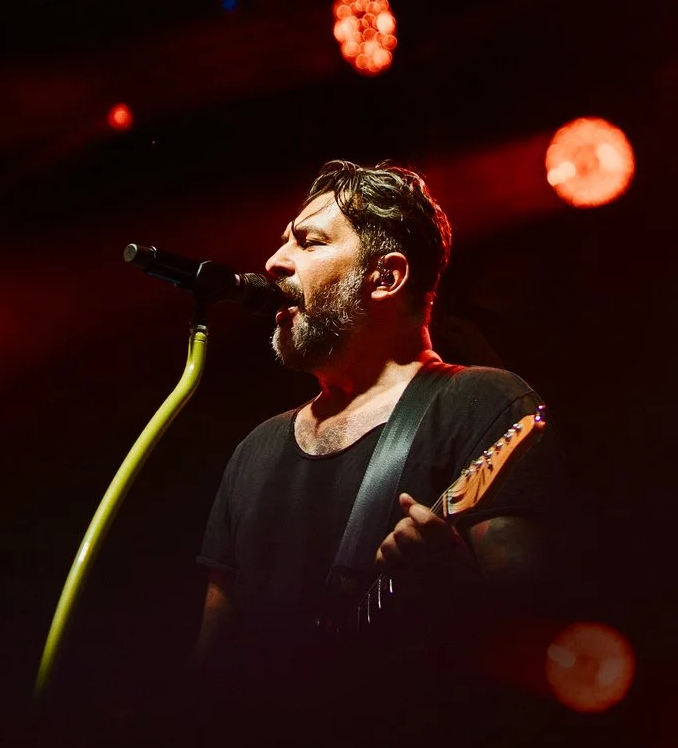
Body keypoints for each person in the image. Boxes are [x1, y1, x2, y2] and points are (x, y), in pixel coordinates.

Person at [196, 160, 565, 667]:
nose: (275, 262)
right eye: (284, 243)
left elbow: (530, 622)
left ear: (386, 276)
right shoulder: (255, 448)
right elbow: (213, 654)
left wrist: (456, 579)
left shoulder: (483, 402)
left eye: (309, 242)